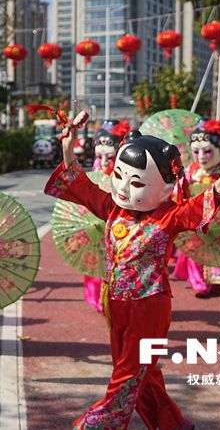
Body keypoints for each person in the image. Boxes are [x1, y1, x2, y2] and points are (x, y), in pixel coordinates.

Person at [46, 117, 220, 430]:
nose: (123, 188)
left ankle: (98, 424)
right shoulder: (114, 208)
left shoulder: (169, 216)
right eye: (119, 176)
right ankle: (171, 424)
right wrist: (69, 153)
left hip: (149, 306)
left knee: (127, 373)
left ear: (165, 188)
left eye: (137, 183)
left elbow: (196, 209)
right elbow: (82, 189)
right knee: (143, 374)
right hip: (117, 303)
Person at [172, 119, 220, 297]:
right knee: (195, 251)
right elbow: (179, 193)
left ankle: (216, 283)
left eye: (207, 151)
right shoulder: (190, 170)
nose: (201, 156)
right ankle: (199, 283)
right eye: (196, 151)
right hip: (197, 219)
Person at [81, 119, 132, 314]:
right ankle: (99, 299)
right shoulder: (95, 170)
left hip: (119, 225)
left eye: (109, 158)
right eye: (99, 156)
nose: (102, 162)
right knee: (95, 260)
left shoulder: (127, 173)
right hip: (97, 226)